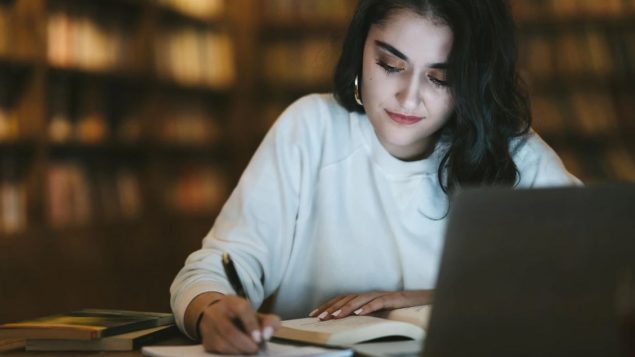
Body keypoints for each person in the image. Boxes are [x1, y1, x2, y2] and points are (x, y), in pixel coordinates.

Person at [170, 0, 581, 354]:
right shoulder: (311, 129)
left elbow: (593, 279)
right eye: (389, 65)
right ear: (360, 50)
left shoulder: (514, 155)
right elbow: (212, 270)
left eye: (441, 78)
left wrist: (420, 300)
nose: (408, 96)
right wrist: (211, 310)